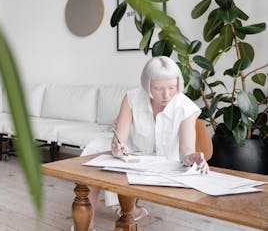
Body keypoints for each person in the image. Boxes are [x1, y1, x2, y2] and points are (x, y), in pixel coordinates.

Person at [76, 56, 209, 231]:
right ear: (146, 85)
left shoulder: (186, 107)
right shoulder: (132, 97)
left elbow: (186, 150)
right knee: (92, 156)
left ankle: (129, 209)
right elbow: (120, 138)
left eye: (172, 87)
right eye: (158, 88)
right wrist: (117, 147)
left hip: (163, 161)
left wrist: (191, 157)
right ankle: (85, 225)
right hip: (133, 153)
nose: (166, 95)